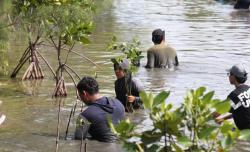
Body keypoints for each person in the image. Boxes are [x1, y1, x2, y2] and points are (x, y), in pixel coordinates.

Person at [75, 76, 125, 142]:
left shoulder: (84, 116)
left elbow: (78, 140)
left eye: (80, 96)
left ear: (84, 93)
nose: (81, 99)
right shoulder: (119, 104)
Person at [215, 64, 250, 130]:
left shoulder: (235, 95)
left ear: (234, 76)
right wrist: (223, 118)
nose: (228, 76)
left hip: (246, 133)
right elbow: (242, 111)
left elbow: (217, 113)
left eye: (229, 74)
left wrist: (202, 118)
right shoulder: (248, 89)